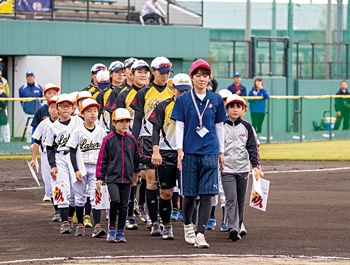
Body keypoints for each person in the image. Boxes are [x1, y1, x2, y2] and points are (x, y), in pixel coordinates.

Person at [170, 59, 227, 248]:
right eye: (198, 75)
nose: (201, 78)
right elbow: (180, 125)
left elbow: (219, 127)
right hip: (189, 152)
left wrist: (221, 152)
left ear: (209, 78)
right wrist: (179, 149)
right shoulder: (183, 99)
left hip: (210, 151)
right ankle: (188, 224)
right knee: (190, 195)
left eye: (205, 75)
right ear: (191, 78)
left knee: (207, 194)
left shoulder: (217, 99)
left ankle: (200, 233)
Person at [130, 56, 174, 236]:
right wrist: (132, 141)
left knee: (167, 187)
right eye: (162, 73)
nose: (165, 76)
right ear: (153, 72)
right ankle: (154, 221)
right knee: (150, 183)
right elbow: (138, 120)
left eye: (167, 73)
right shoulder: (143, 93)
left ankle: (165, 221)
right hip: (147, 139)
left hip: (167, 143)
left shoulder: (172, 92)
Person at [95, 108, 151, 243]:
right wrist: (100, 178)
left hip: (127, 178)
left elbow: (137, 157)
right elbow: (102, 159)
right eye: (121, 121)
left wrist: (151, 160)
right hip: (112, 178)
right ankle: (112, 229)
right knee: (115, 201)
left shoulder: (132, 139)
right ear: (114, 122)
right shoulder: (108, 139)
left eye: (127, 121)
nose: (124, 124)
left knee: (124, 204)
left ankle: (120, 231)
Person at [149, 73, 192, 240]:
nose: (183, 94)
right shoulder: (163, 106)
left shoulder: (194, 107)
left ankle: (190, 225)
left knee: (189, 192)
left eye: (187, 91)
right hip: (167, 153)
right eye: (180, 91)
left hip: (188, 154)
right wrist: (155, 151)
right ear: (172, 88)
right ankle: (166, 225)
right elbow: (155, 130)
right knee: (165, 193)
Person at [221, 94, 261, 241]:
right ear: (226, 109)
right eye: (232, 106)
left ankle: (238, 224)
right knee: (230, 198)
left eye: (238, 107)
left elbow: (252, 148)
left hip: (243, 169)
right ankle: (232, 228)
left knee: (240, 200)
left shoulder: (247, 127)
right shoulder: (220, 126)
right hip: (226, 170)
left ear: (244, 109)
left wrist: (256, 166)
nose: (235, 110)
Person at [67, 98, 107, 237]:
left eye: (95, 111)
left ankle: (97, 225)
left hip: (96, 168)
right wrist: (76, 169)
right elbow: (72, 151)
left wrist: (102, 171)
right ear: (82, 113)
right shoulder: (77, 131)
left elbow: (105, 153)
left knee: (96, 196)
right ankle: (79, 224)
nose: (93, 114)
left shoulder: (102, 131)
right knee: (80, 197)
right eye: (89, 111)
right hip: (81, 167)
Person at [45, 94, 83, 234]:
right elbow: (49, 148)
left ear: (73, 107)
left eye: (68, 106)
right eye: (62, 106)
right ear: (57, 109)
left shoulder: (78, 121)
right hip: (60, 157)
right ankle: (65, 222)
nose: (65, 108)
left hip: (76, 157)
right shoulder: (52, 127)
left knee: (75, 191)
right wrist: (52, 165)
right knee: (62, 188)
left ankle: (69, 217)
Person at [30, 96, 60, 221]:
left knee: (63, 183)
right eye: (51, 107)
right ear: (48, 109)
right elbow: (37, 141)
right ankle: (57, 210)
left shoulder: (67, 123)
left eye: (55, 107)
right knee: (49, 184)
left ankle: (64, 210)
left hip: (62, 156)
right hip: (46, 157)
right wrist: (33, 159)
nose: (54, 110)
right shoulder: (44, 124)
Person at [0, 66, 11, 142]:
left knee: (5, 128)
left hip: (3, 110)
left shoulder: (4, 81)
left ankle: (7, 143)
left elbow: (7, 95)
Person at [0, 77, 8, 142]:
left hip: (2, 114)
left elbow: (5, 103)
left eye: (0, 84)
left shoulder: (4, 95)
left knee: (2, 133)